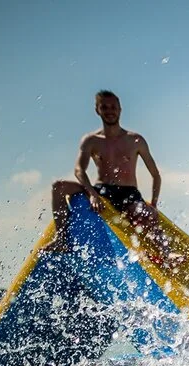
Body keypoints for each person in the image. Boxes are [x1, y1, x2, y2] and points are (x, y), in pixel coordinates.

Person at [42, 91, 163, 253]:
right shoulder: (91, 140)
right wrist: (92, 194)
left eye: (113, 107)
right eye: (104, 107)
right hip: (101, 191)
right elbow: (79, 169)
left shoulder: (135, 140)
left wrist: (154, 204)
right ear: (97, 110)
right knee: (58, 187)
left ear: (120, 109)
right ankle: (61, 239)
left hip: (128, 194)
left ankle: (166, 253)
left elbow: (155, 175)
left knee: (145, 213)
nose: (109, 111)